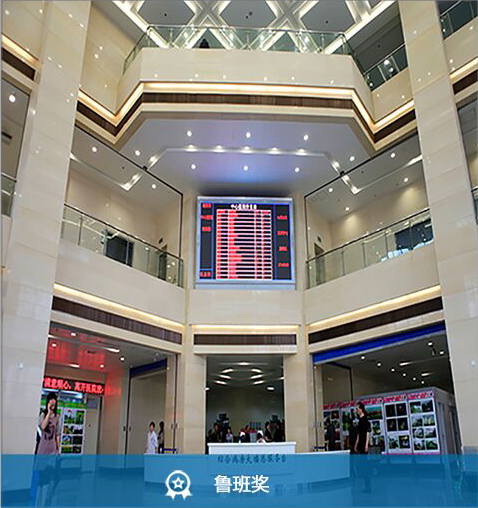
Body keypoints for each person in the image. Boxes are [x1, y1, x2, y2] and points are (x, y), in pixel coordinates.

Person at [354, 402, 371, 493]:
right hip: (360, 445)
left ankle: (368, 486)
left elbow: (367, 432)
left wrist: (366, 444)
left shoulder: (365, 419)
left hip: (363, 445)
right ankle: (366, 485)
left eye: (357, 409)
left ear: (361, 409)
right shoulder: (360, 420)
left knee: (365, 465)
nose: (356, 410)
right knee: (363, 465)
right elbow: (359, 434)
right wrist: (356, 444)